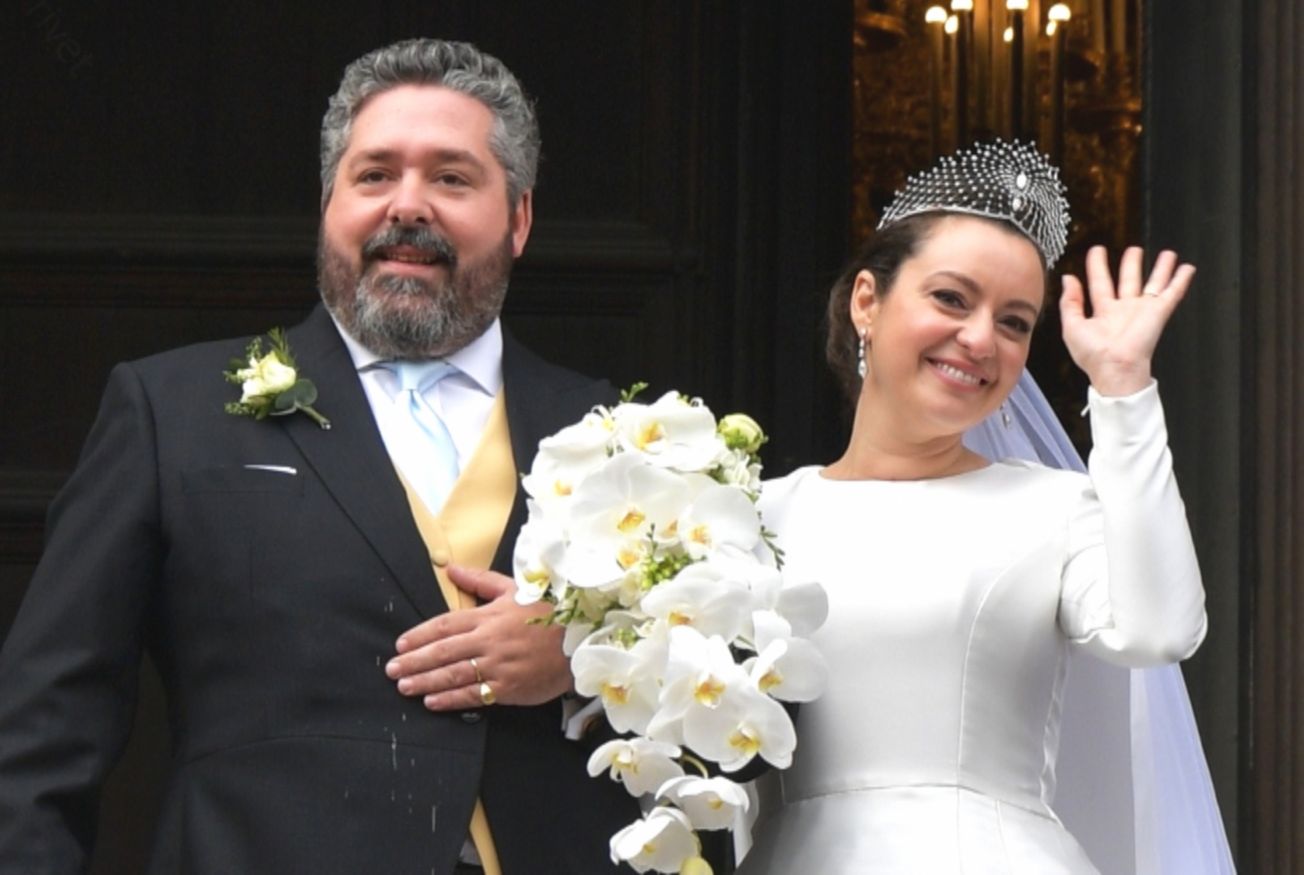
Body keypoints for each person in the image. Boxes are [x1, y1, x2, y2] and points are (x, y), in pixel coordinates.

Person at [0, 38, 639, 874]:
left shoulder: (624, 438)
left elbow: (744, 712)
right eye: (374, 175)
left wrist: (595, 648)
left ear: (518, 219)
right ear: (328, 202)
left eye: (451, 178)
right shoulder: (168, 411)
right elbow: (45, 729)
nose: (407, 205)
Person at [737, 140, 1230, 873]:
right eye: (951, 298)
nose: (978, 339)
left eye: (1014, 322)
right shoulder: (752, 515)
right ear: (867, 300)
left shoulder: (1052, 506)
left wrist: (1123, 386)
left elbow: (1159, 629)